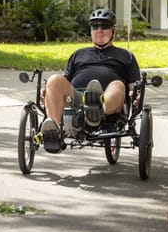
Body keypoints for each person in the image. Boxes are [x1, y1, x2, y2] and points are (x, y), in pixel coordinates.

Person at [40, 8, 141, 153]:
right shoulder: (78, 54)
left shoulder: (126, 56)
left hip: (109, 99)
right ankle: (53, 132)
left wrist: (135, 96)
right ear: (91, 31)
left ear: (114, 31)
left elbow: (133, 87)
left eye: (104, 26)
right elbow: (64, 81)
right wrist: (49, 90)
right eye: (95, 26)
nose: (99, 30)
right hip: (77, 98)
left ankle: (96, 111)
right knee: (54, 79)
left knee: (117, 84)